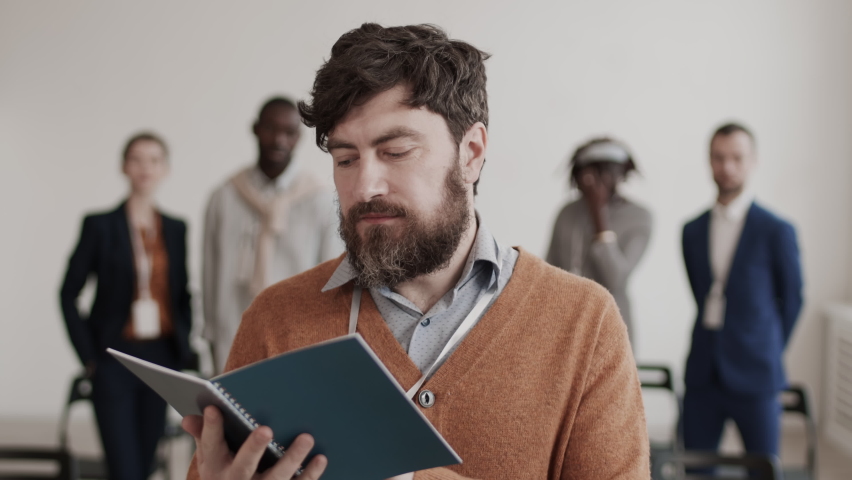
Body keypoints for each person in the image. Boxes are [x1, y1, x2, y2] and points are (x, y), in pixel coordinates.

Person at [183, 24, 649, 480]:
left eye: (396, 152)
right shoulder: (275, 319)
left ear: (471, 153)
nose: (364, 186)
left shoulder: (585, 323)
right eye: (345, 159)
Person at [60, 132, 193, 480]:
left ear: (165, 169)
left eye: (154, 160)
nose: (145, 167)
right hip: (114, 358)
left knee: (146, 465)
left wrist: (182, 348)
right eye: (136, 159)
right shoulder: (100, 226)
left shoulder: (176, 229)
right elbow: (68, 293)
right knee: (124, 469)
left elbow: (182, 293)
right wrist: (90, 357)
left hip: (161, 358)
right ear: (124, 167)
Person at [681, 123, 803, 457]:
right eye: (719, 157)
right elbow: (700, 292)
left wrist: (767, 345)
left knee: (763, 467)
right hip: (703, 371)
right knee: (696, 466)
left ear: (753, 161)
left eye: (737, 157)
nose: (727, 166)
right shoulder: (692, 230)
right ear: (709, 161)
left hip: (757, 371)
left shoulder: (776, 230)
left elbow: (793, 299)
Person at [202, 96, 342, 373]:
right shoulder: (225, 196)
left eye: (289, 132)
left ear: (298, 137)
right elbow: (210, 271)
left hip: (297, 337)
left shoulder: (320, 199)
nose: (279, 140)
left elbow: (331, 277)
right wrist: (210, 333)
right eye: (270, 129)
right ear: (255, 129)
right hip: (232, 331)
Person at [546, 138, 652, 349]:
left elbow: (616, 278)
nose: (593, 181)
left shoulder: (640, 217)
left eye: (603, 171)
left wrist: (598, 212)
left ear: (620, 173)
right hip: (565, 328)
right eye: (588, 172)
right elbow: (549, 271)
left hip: (610, 329)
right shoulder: (567, 212)